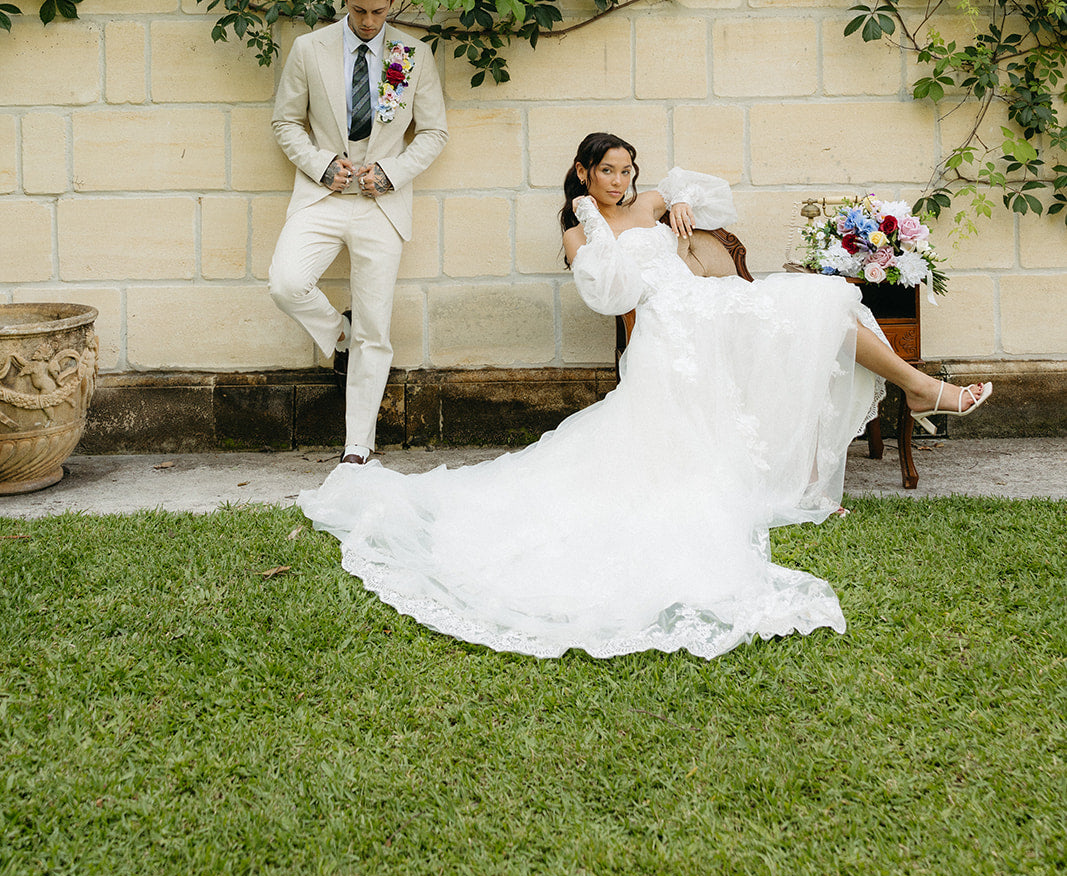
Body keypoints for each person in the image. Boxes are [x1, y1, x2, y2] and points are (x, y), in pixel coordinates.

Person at [298, 131, 992, 661]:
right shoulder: (578, 235)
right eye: (609, 172)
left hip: (711, 306)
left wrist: (682, 199)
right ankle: (925, 392)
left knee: (829, 300)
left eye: (628, 171)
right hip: (668, 328)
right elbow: (611, 293)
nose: (622, 181)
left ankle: (921, 390)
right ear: (583, 174)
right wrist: (597, 228)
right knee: (828, 306)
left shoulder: (653, 202)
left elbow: (709, 197)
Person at [270, 0, 448, 465]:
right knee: (285, 283)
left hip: (381, 205)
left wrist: (391, 173)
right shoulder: (310, 49)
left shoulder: (410, 54)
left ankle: (357, 446)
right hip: (322, 196)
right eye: (359, 10)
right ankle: (339, 335)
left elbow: (434, 131)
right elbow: (286, 123)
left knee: (377, 326)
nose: (368, 22)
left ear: (392, 1)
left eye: (377, 11)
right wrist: (323, 164)